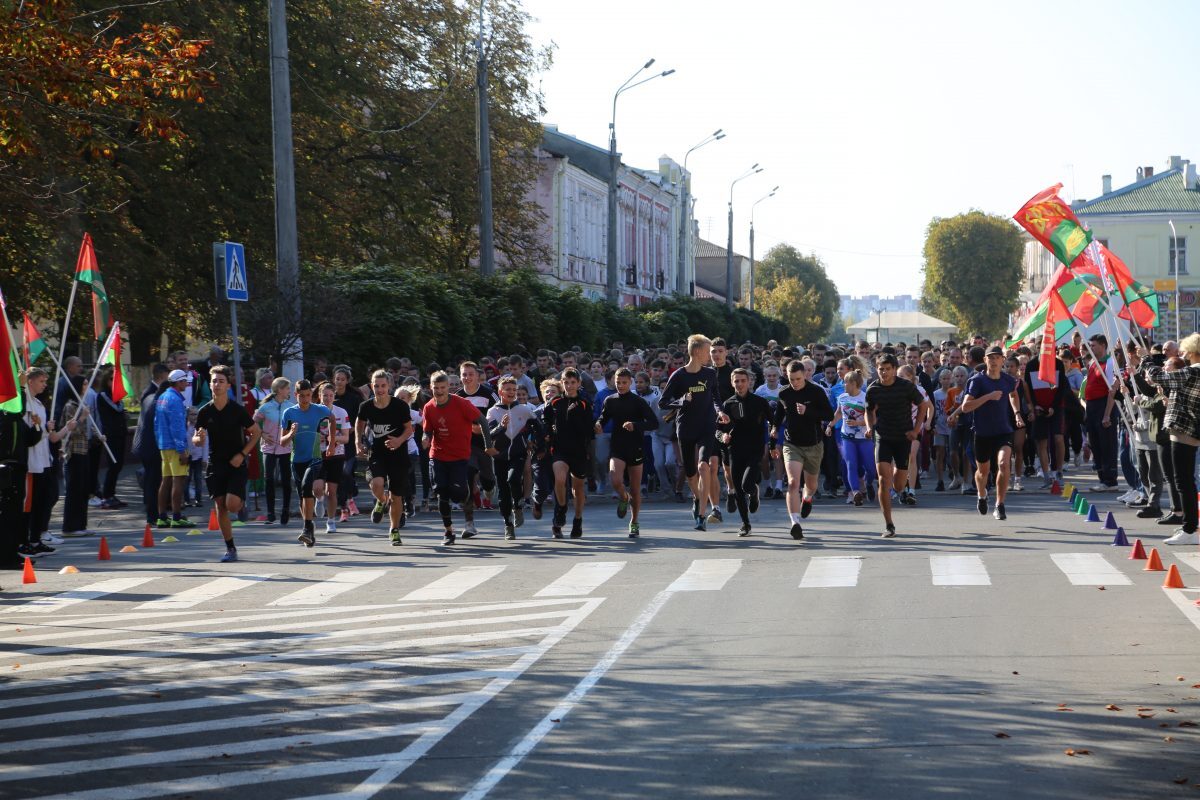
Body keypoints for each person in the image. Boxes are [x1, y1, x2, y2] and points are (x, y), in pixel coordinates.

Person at [658, 334, 727, 531]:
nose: (710, 355)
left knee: (704, 466)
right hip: (686, 426)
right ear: (697, 352)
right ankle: (697, 498)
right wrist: (681, 401)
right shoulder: (679, 376)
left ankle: (702, 515)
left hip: (707, 425)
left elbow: (716, 398)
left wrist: (720, 411)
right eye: (707, 351)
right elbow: (663, 402)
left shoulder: (710, 374)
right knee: (690, 473)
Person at [193, 366, 260, 562]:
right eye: (214, 381)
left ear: (228, 386)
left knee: (231, 505)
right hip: (216, 464)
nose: (217, 384)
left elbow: (256, 432)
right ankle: (230, 548)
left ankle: (241, 504)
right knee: (221, 506)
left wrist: (242, 454)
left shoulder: (237, 410)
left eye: (221, 381)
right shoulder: (205, 411)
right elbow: (196, 438)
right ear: (210, 385)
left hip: (236, 462)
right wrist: (198, 439)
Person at [1140, 336, 1200, 545]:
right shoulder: (1193, 371)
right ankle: (1189, 526)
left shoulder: (1193, 371)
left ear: (1193, 351)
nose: (1183, 354)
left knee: (1183, 480)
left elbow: (1160, 376)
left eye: (1186, 351)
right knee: (1184, 480)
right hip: (1185, 429)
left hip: (1184, 429)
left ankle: (1189, 529)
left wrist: (1146, 360)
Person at [423, 370, 493, 544]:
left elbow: (483, 420)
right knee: (441, 493)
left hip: (460, 456)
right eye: (436, 388)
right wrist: (425, 437)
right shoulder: (429, 407)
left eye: (442, 387)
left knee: (458, 493)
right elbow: (428, 429)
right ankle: (448, 532)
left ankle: (466, 491)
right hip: (438, 455)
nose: (439, 391)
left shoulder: (461, 403)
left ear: (448, 387)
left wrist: (488, 445)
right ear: (431, 387)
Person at [865, 354, 931, 538]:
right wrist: (869, 427)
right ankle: (889, 524)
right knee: (883, 480)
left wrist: (916, 430)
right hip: (883, 437)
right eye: (881, 369)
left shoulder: (906, 387)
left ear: (894, 369)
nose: (884, 372)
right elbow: (868, 411)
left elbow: (923, 406)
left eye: (888, 369)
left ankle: (899, 487)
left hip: (903, 437)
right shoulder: (873, 389)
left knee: (899, 484)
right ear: (877, 369)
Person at [771, 359, 834, 540]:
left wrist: (808, 411)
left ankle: (807, 498)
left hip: (813, 444)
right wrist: (774, 429)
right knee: (792, 483)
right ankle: (795, 523)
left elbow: (828, 414)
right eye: (791, 379)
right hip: (792, 444)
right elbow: (779, 414)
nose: (795, 383)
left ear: (805, 375)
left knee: (811, 485)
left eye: (798, 379)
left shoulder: (816, 391)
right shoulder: (784, 392)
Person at [960, 346, 1024, 521]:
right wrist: (988, 397)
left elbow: (1013, 395)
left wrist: (1017, 413)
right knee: (983, 471)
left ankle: (999, 504)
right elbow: (966, 407)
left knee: (1004, 464)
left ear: (1003, 360)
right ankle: (982, 495)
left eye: (997, 357)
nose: (994, 360)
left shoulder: (1008, 380)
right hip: (982, 432)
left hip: (1004, 431)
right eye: (990, 357)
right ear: (985, 360)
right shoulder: (977, 381)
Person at [595, 367, 658, 538]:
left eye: (624, 382)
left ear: (630, 383)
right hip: (618, 446)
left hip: (636, 446)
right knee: (615, 480)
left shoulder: (638, 401)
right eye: (618, 382)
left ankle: (634, 522)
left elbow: (654, 423)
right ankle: (623, 497)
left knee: (635, 489)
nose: (621, 385)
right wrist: (599, 424)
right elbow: (603, 417)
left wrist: (635, 425)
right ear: (613, 382)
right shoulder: (610, 400)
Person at [356, 369, 413, 544]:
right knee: (377, 484)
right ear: (371, 386)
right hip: (377, 453)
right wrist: (358, 441)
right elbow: (359, 423)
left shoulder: (400, 406)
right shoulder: (366, 406)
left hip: (398, 454)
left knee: (396, 496)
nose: (380, 389)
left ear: (389, 386)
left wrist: (399, 440)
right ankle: (381, 501)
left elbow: (409, 429)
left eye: (383, 386)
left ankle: (394, 530)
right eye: (376, 386)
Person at [719, 367, 773, 536]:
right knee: (738, 489)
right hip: (735, 450)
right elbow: (717, 430)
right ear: (732, 383)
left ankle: (754, 491)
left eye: (743, 381)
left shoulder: (759, 402)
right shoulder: (728, 404)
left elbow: (773, 422)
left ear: (749, 382)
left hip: (755, 449)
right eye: (737, 381)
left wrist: (773, 443)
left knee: (747, 484)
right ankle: (745, 524)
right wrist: (723, 436)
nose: (740, 384)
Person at [280, 380, 333, 547]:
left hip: (314, 457)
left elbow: (332, 418)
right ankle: (309, 529)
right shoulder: (289, 413)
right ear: (295, 395)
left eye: (308, 395)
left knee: (307, 485)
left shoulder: (319, 409)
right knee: (303, 495)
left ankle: (306, 529)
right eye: (301, 396)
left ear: (312, 395)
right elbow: (282, 442)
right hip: (296, 460)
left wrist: (331, 442)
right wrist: (291, 434)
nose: (305, 399)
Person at [545, 368, 594, 538]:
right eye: (566, 382)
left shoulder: (584, 403)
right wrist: (546, 433)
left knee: (577, 489)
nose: (569, 386)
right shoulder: (555, 402)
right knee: (559, 479)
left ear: (579, 383)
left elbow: (589, 430)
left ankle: (578, 519)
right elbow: (546, 421)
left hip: (579, 450)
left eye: (573, 382)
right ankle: (561, 509)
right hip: (560, 449)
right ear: (562, 383)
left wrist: (574, 416)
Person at [487, 376, 537, 539]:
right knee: (503, 491)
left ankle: (518, 506)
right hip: (499, 456)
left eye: (514, 390)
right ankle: (508, 524)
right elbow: (489, 435)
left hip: (518, 453)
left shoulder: (523, 409)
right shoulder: (493, 411)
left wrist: (532, 441)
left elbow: (537, 427)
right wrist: (501, 426)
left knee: (514, 479)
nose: (511, 392)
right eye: (508, 389)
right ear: (500, 391)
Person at [456, 361, 499, 532]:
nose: (467, 378)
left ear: (477, 376)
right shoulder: (458, 397)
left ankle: (489, 488)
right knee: (468, 474)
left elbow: (499, 414)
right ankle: (469, 523)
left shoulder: (488, 394)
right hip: (466, 445)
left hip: (485, 444)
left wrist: (483, 429)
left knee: (487, 479)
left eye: (470, 374)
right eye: (464, 375)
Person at [828, 369, 875, 507]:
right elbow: (838, 413)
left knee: (870, 468)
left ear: (854, 384)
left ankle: (868, 483)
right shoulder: (842, 397)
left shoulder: (865, 397)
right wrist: (830, 425)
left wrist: (859, 423)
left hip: (864, 438)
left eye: (846, 383)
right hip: (847, 437)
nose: (844, 385)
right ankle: (855, 492)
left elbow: (872, 419)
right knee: (850, 464)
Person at [1083, 334, 1121, 492]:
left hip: (1104, 406)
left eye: (1094, 345)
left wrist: (1107, 414)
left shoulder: (1110, 363)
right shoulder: (1092, 362)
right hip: (1091, 407)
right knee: (1095, 444)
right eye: (1090, 345)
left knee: (1107, 444)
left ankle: (1110, 480)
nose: (1091, 348)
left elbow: (1112, 390)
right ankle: (1102, 479)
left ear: (1103, 345)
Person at [153, 369, 190, 528]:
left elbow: (156, 423)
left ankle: (162, 517)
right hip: (175, 446)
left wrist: (160, 442)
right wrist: (181, 450)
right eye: (185, 381)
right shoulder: (175, 400)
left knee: (166, 480)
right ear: (178, 382)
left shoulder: (162, 397)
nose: (187, 384)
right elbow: (177, 427)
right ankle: (176, 516)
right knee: (178, 480)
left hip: (164, 445)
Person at [254, 377, 294, 525]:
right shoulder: (266, 407)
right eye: (287, 388)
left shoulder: (291, 407)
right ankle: (270, 512)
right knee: (269, 479)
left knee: (286, 481)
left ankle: (285, 510)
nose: (289, 391)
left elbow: (296, 424)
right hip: (268, 447)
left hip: (285, 447)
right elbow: (252, 423)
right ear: (279, 389)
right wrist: (262, 434)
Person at [317, 381, 351, 534]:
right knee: (317, 488)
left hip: (336, 454)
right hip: (318, 454)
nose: (328, 398)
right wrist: (317, 437)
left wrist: (333, 439)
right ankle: (319, 499)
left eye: (331, 395)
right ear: (320, 396)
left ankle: (330, 521)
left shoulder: (341, 412)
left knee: (331, 490)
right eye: (325, 395)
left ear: (334, 396)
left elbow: (346, 438)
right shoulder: (313, 411)